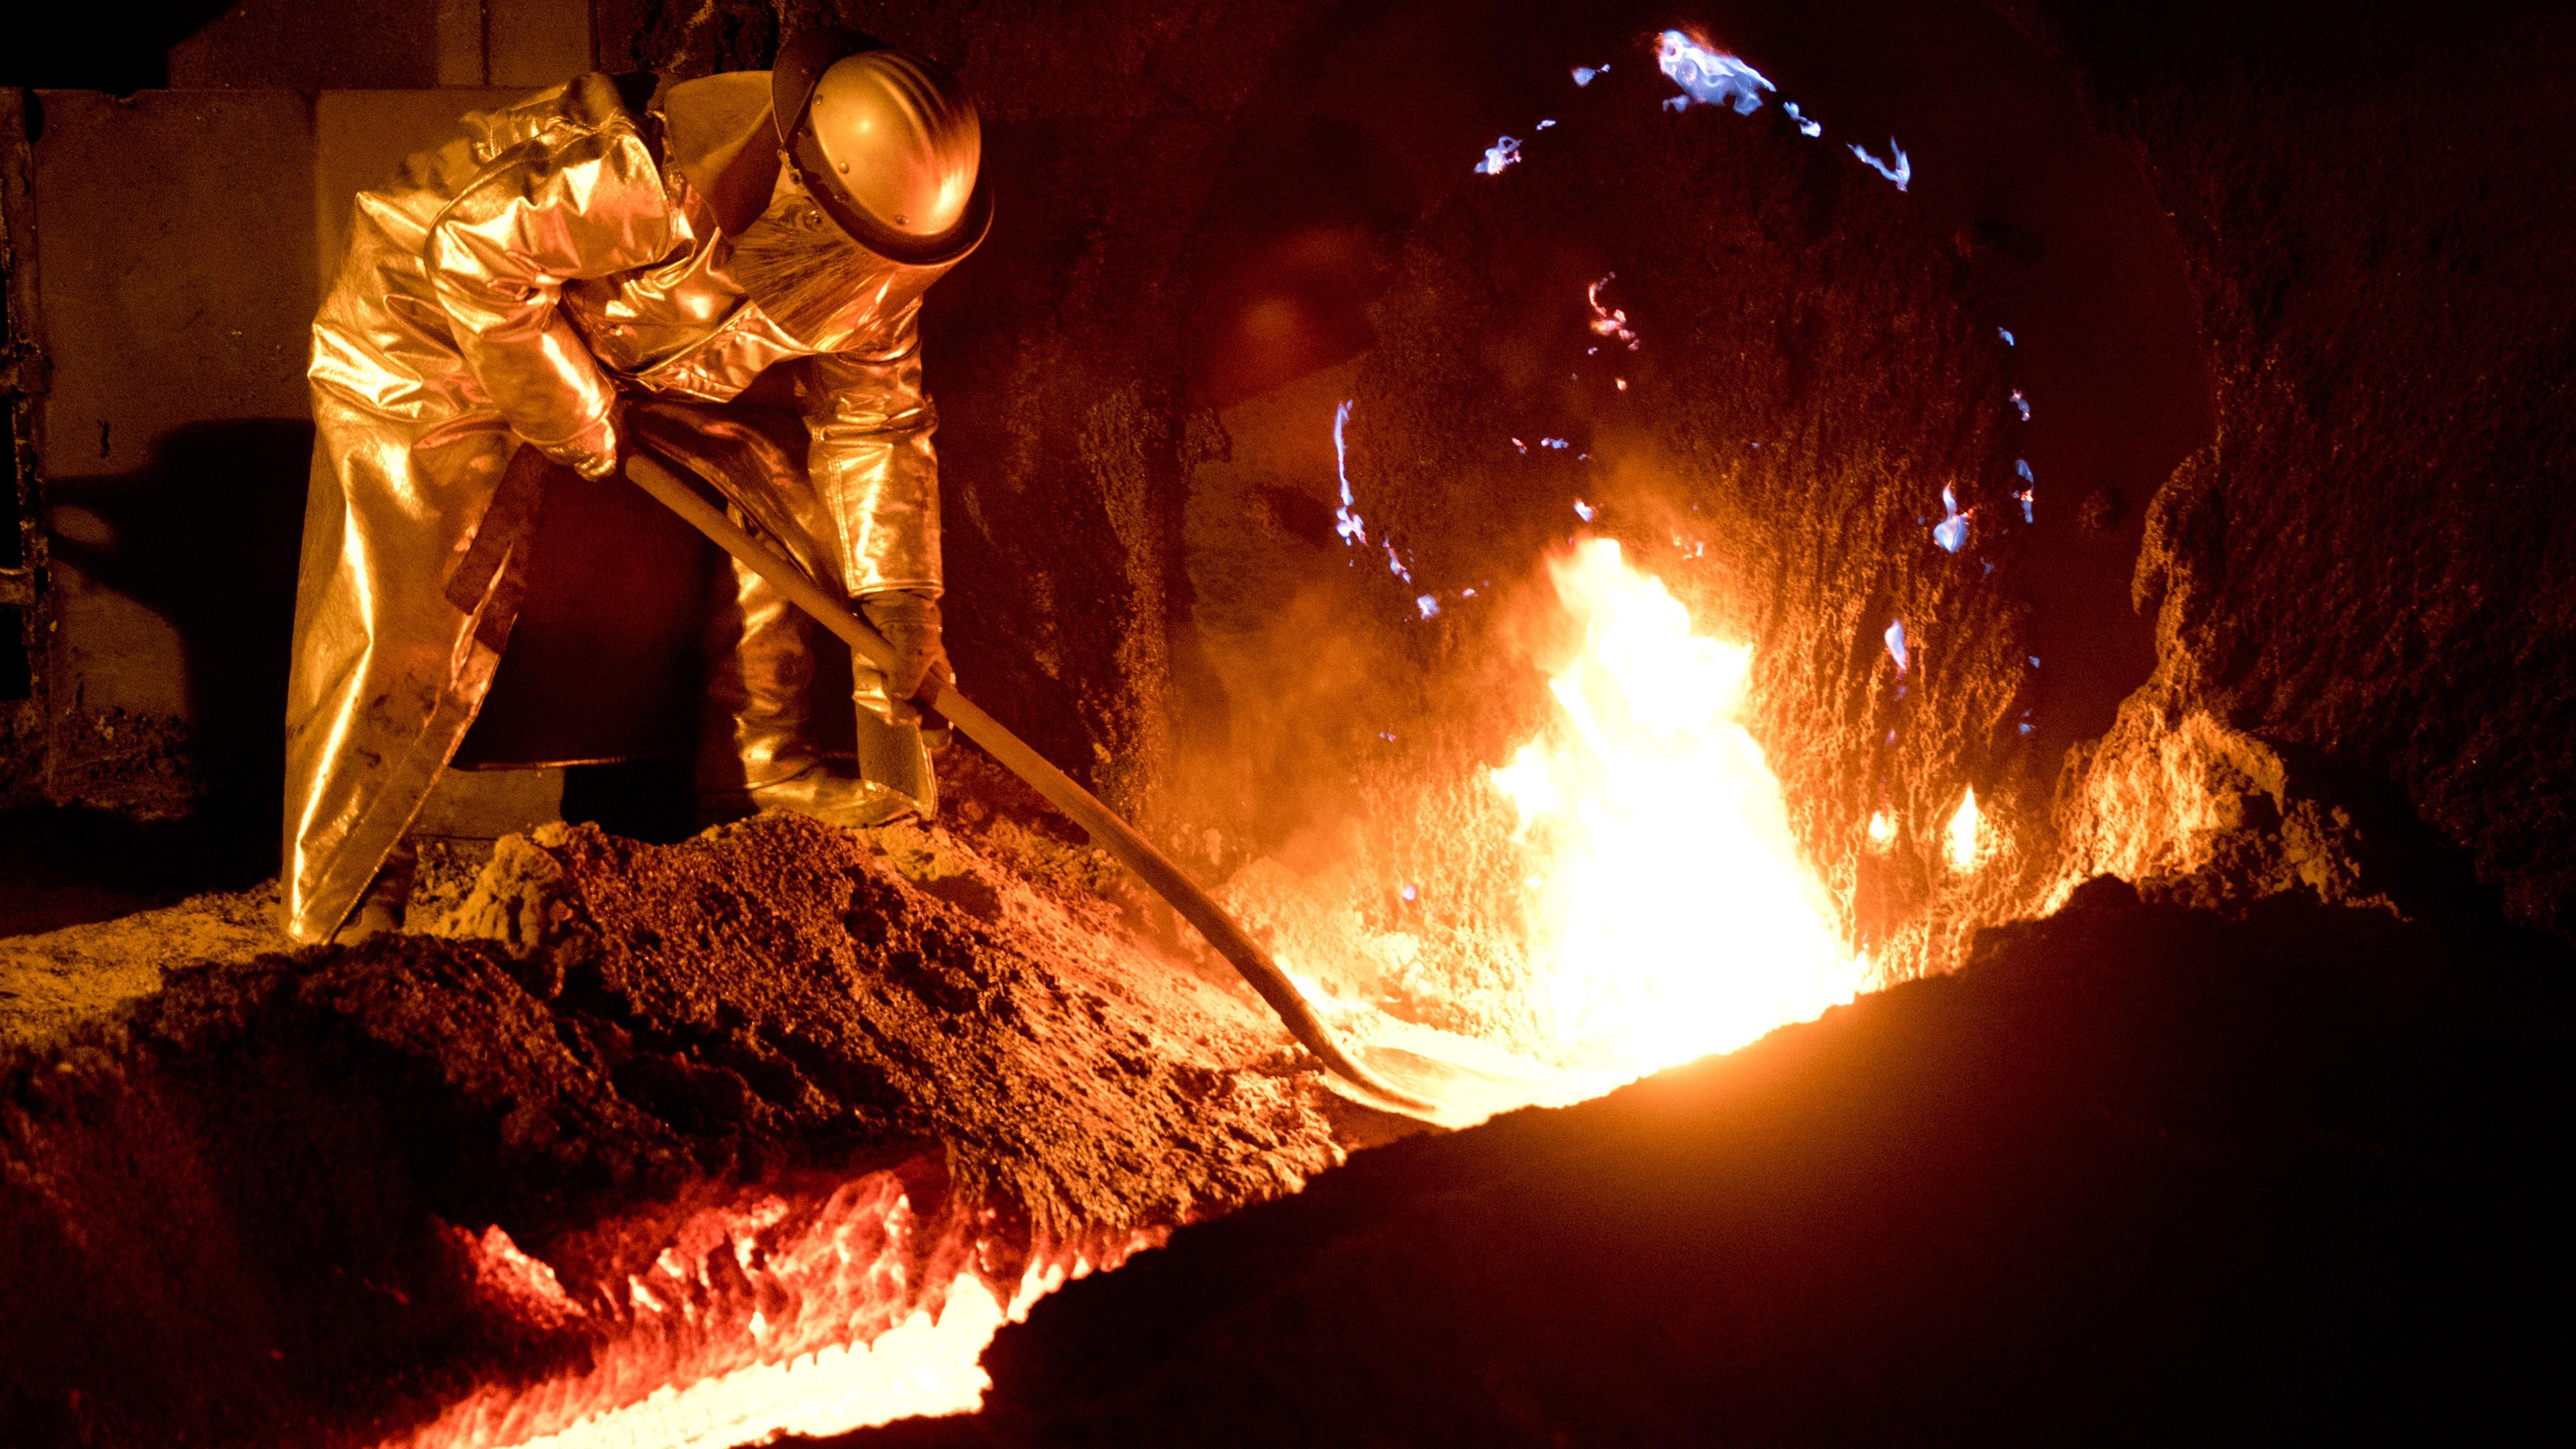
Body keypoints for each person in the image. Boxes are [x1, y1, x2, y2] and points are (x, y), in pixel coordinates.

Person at [282, 27, 986, 943]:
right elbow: (471, 259)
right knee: (412, 574)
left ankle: (760, 766)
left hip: (624, 348)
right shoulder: (647, 178)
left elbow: (874, 425)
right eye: (854, 256)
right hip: (434, 319)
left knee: (796, 497)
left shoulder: (874, 260)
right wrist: (578, 420)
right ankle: (350, 882)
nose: (873, 287)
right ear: (805, 201)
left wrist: (904, 607)